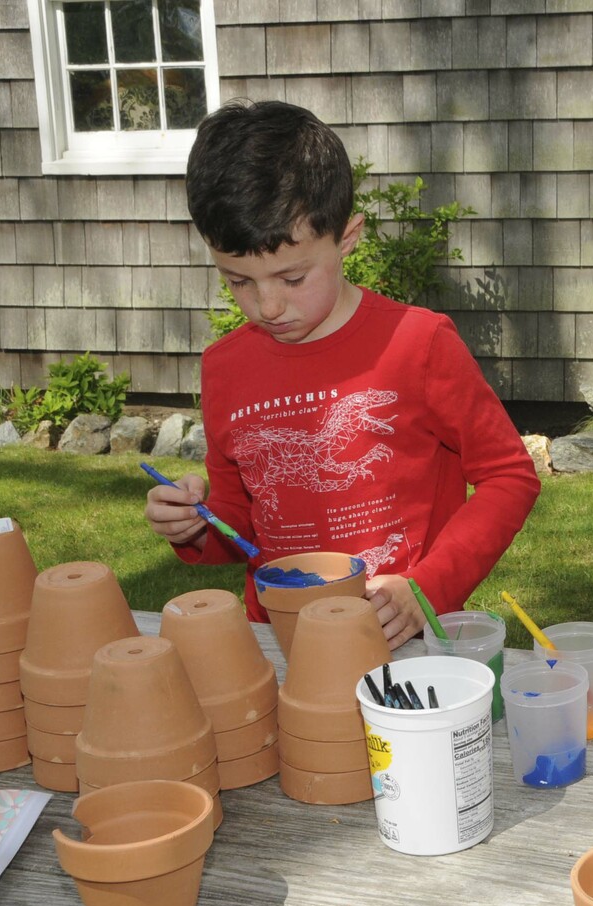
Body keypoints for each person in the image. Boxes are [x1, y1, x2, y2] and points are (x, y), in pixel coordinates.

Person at [145, 100, 540, 649]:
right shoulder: (224, 368)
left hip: (402, 639)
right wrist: (195, 524)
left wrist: (427, 587)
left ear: (348, 237)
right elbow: (241, 524)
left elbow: (509, 477)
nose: (267, 306)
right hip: (278, 645)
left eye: (292, 277)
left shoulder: (418, 344)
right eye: (238, 281)